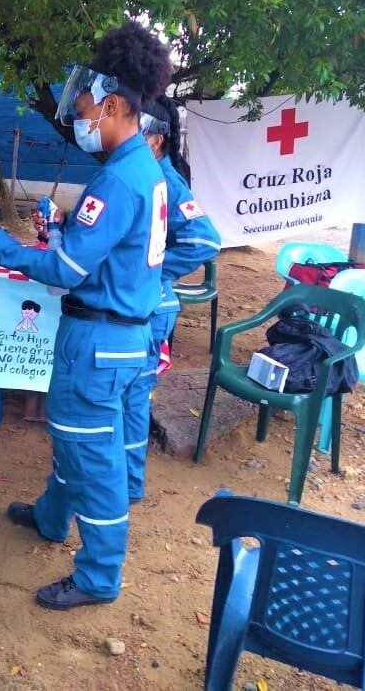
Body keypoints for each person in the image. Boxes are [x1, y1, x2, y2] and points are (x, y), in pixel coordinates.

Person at [0, 21, 172, 610]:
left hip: (100, 342)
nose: (78, 118)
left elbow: (63, 270)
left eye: (82, 107)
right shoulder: (145, 171)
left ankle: (98, 576)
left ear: (112, 105)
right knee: (77, 438)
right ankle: (53, 518)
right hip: (120, 336)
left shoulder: (120, 180)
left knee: (94, 460)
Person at [121, 97, 221, 502]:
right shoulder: (143, 177)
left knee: (132, 402)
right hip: (140, 306)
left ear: (157, 141)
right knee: (126, 399)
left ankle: (128, 485)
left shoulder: (167, 183)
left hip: (153, 307)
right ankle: (124, 480)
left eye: (136, 130)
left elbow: (205, 240)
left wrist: (153, 267)